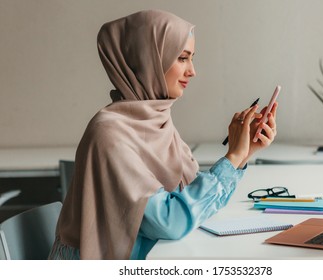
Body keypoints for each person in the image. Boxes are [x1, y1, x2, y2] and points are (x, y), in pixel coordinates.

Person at [48, 9, 277, 260]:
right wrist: (232, 158)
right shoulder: (109, 133)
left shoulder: (156, 119)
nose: (192, 71)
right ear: (149, 60)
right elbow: (171, 222)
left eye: (192, 58)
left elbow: (193, 199)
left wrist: (242, 155)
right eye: (182, 58)